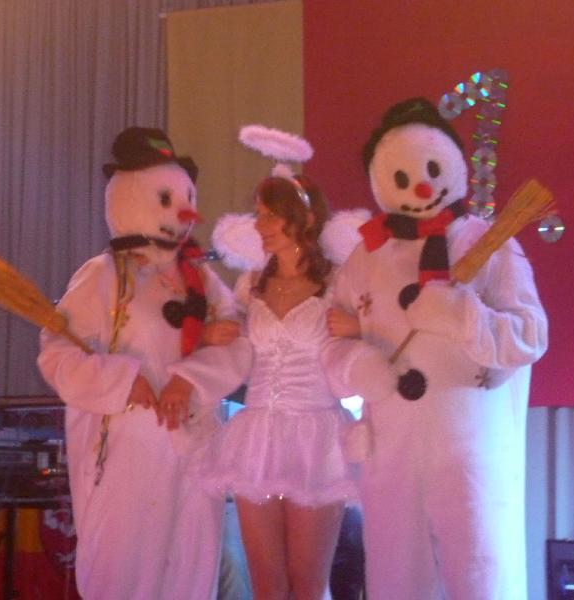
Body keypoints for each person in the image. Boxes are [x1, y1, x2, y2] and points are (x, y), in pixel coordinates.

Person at [321, 98, 548, 599]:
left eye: (431, 170)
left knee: (482, 576)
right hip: (392, 450)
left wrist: (459, 314)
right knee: (396, 579)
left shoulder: (489, 243)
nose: (422, 187)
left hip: (470, 447)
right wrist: (358, 366)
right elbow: (331, 343)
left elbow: (530, 335)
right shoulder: (366, 257)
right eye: (403, 177)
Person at [38, 126, 252, 600]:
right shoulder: (102, 276)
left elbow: (237, 344)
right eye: (167, 198)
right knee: (124, 570)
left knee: (189, 571)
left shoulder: (202, 280)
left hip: (194, 445)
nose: (185, 212)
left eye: (188, 198)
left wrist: (189, 380)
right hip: (127, 451)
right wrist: (123, 380)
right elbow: (57, 352)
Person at [203, 171, 358, 600]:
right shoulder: (251, 284)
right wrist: (210, 334)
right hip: (258, 438)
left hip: (316, 439)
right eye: (259, 214)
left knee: (307, 583)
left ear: (305, 219)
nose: (260, 225)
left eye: (271, 216)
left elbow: (382, 338)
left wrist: (360, 327)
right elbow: (227, 342)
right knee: (267, 584)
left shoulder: (339, 283)